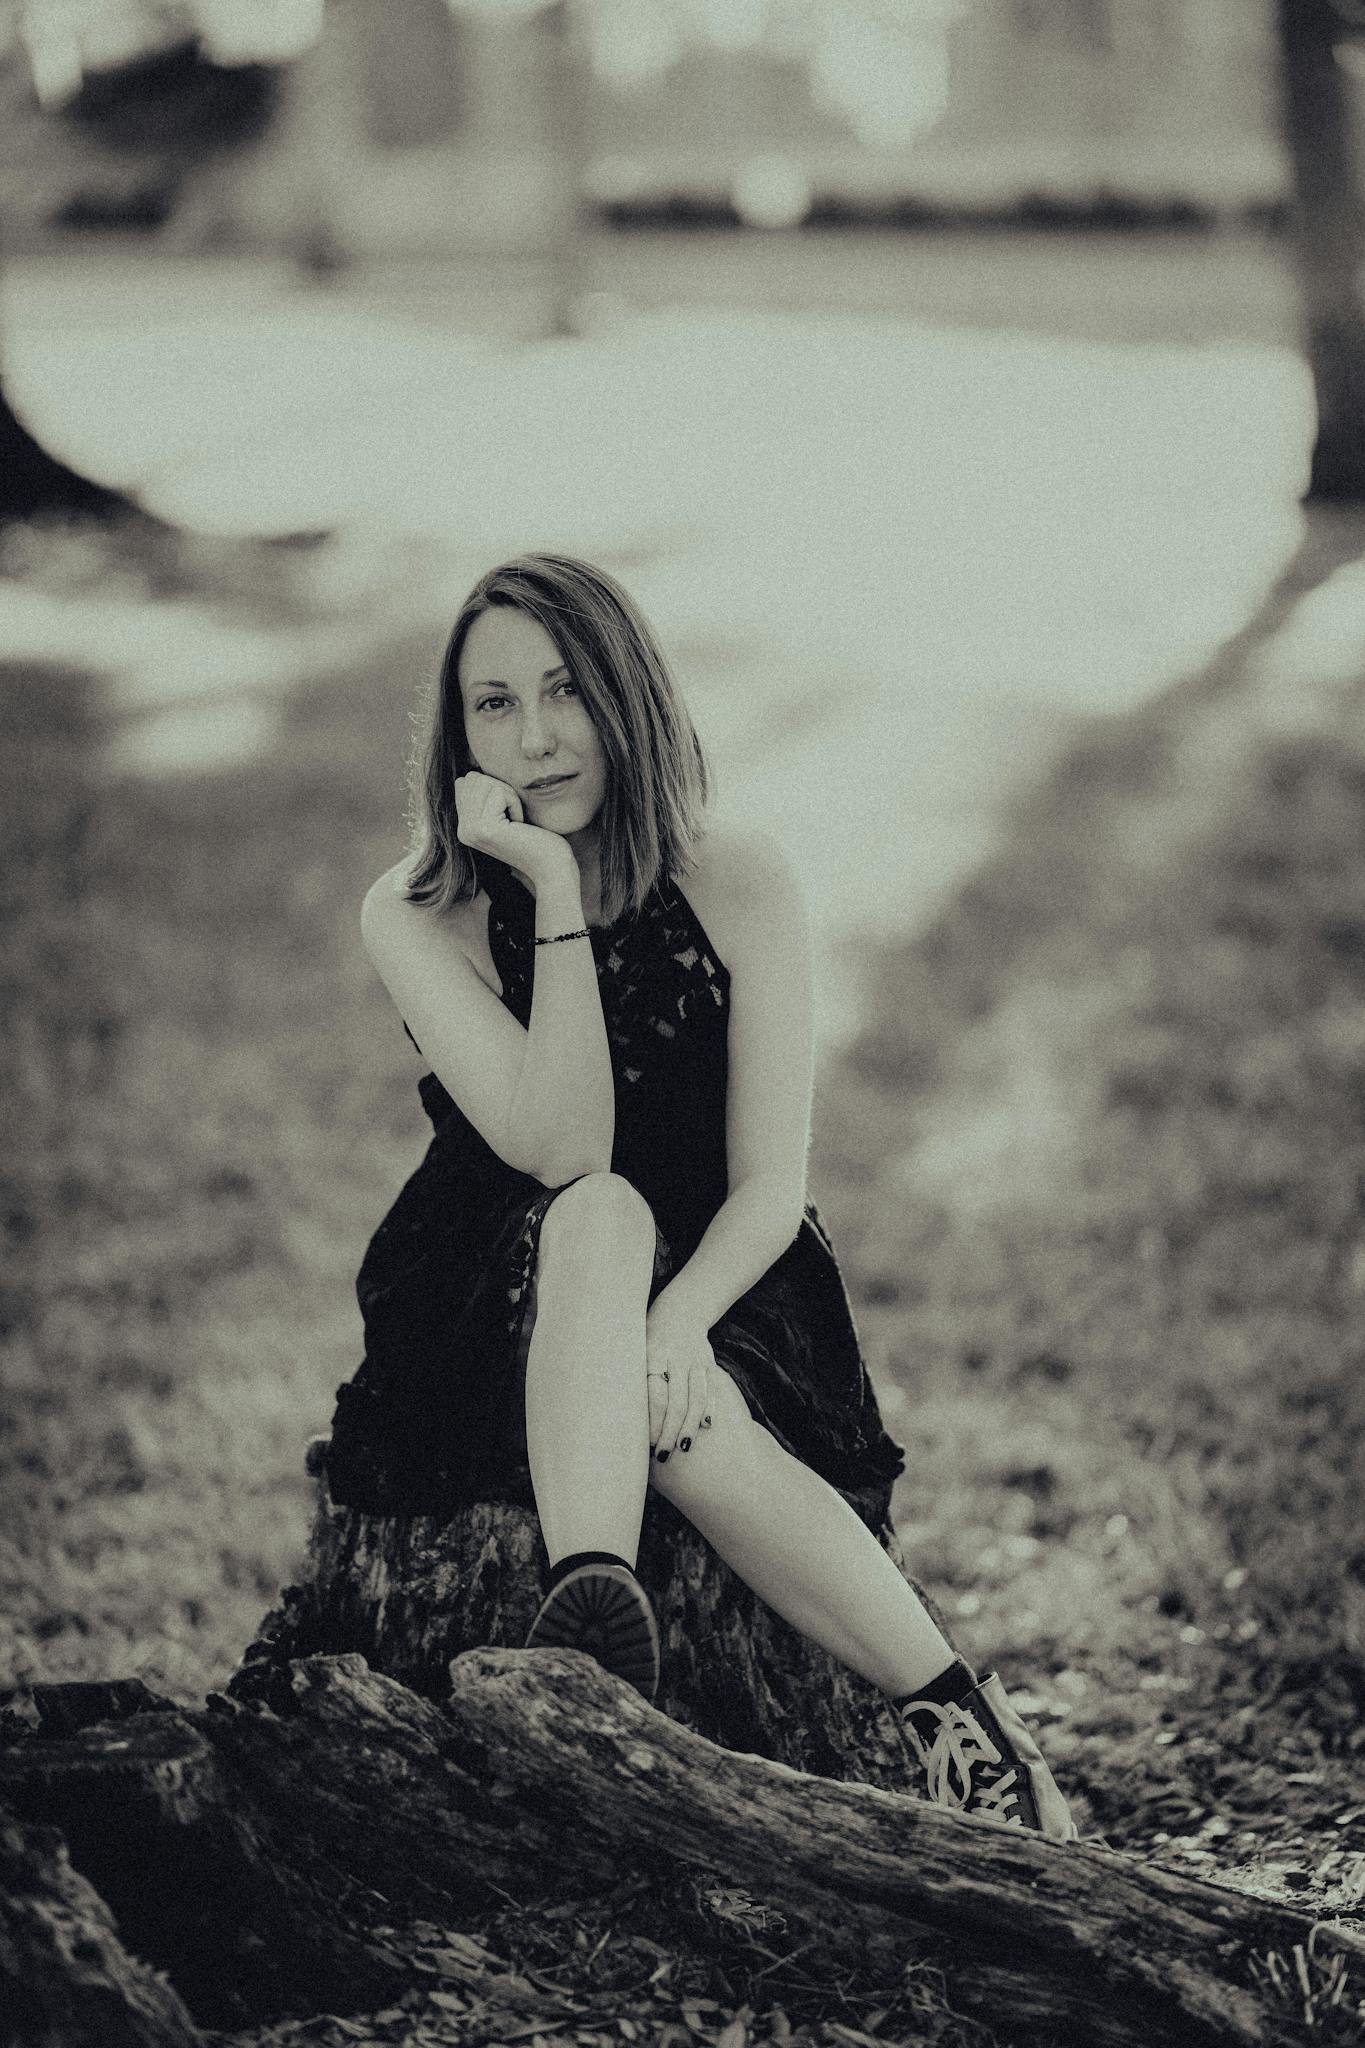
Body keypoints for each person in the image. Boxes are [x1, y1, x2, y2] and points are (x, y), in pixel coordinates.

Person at [326, 552, 1077, 1842]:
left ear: (629, 696)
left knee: (683, 1400)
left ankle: (641, 1654)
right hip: (496, 1285)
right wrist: (552, 895)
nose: (536, 735)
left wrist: (674, 1323)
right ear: (457, 735)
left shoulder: (738, 874)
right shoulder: (419, 911)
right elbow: (565, 1151)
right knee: (601, 1217)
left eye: (565, 690)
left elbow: (773, 1181)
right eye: (494, 704)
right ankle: (637, 1620)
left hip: (726, 1274)